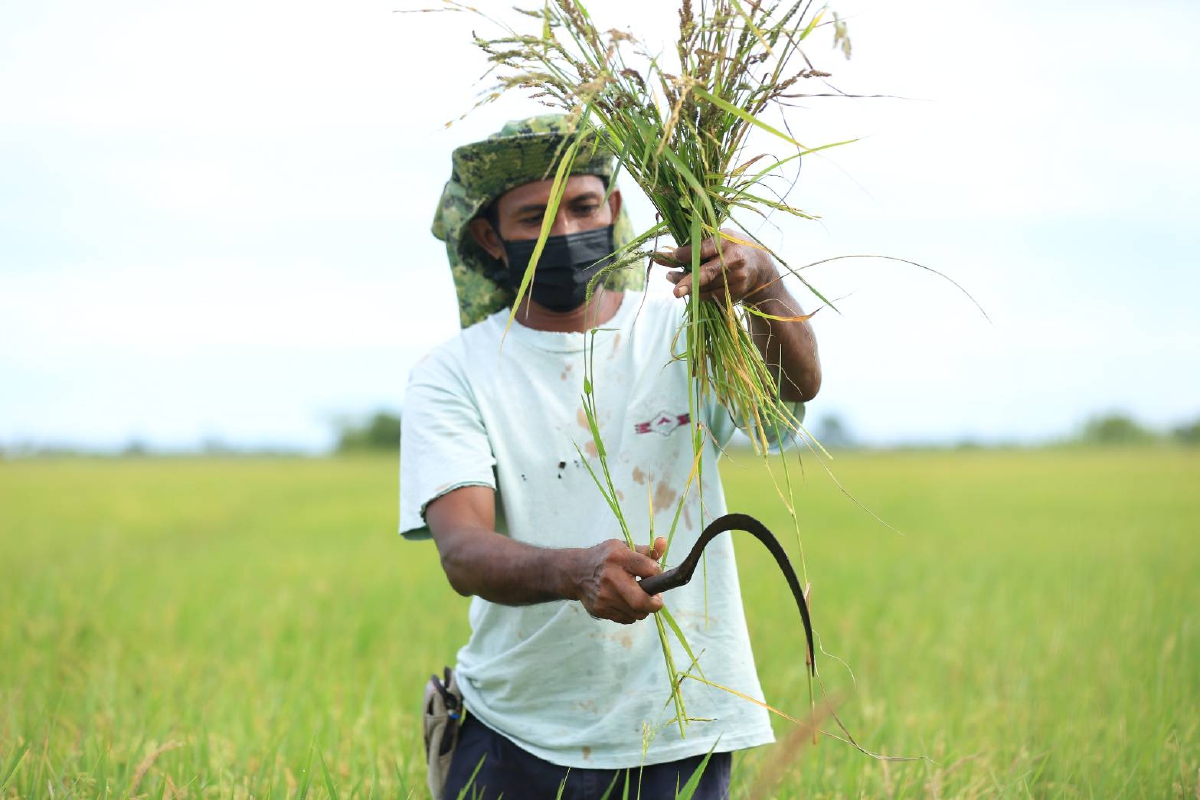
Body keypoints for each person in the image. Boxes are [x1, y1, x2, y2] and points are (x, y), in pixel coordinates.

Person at [400, 115, 821, 800]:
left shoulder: (683, 329)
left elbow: (789, 395)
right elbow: (464, 551)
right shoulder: (456, 372)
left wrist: (765, 284)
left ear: (615, 209)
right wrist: (576, 571)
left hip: (683, 726)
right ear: (490, 237)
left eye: (584, 206)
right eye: (534, 216)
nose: (566, 232)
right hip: (512, 734)